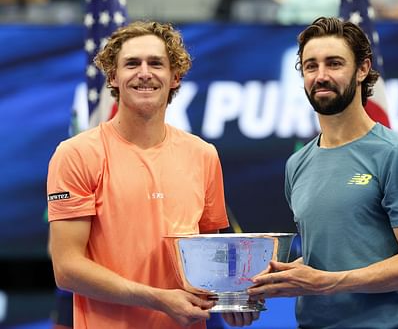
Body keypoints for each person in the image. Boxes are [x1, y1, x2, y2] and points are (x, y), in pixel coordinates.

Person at [46, 21, 257, 328]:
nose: (144, 73)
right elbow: (67, 269)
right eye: (132, 63)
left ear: (175, 77)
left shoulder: (203, 155)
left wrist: (230, 299)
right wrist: (158, 298)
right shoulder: (76, 154)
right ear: (112, 77)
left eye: (156, 63)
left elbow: (210, 260)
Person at [247, 16, 398, 328]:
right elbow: (327, 259)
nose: (321, 76)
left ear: (362, 69)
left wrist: (325, 282)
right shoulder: (297, 163)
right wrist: (276, 281)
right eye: (311, 66)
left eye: (334, 63)